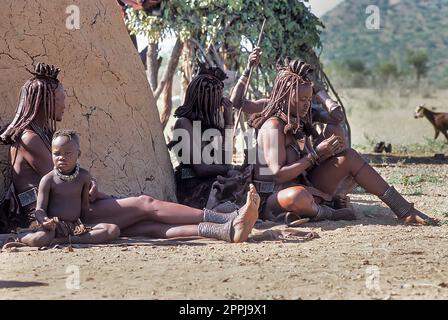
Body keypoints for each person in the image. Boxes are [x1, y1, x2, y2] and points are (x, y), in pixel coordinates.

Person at [0, 63, 260, 247]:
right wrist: (95, 189)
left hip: (71, 209)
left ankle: (224, 230)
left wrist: (92, 187)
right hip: (61, 218)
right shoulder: (29, 138)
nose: (65, 102)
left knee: (149, 227)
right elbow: (63, 180)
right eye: (61, 97)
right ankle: (227, 217)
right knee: (145, 203)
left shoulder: (39, 135)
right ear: (46, 101)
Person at [234, 58, 437, 225]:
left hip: (304, 185)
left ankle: (403, 209)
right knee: (297, 197)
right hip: (274, 198)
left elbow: (336, 116)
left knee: (349, 157)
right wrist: (316, 155)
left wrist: (320, 93)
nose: (306, 105)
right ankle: (328, 213)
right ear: (286, 97)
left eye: (308, 99)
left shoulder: (299, 119)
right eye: (302, 100)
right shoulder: (273, 126)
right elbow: (278, 174)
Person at [169, 48, 264, 209]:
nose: (219, 102)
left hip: (211, 182)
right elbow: (201, 169)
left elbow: (224, 159)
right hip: (193, 189)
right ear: (204, 99)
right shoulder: (184, 124)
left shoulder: (212, 125)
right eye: (216, 98)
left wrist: (228, 120)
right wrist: (232, 169)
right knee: (235, 180)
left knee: (251, 174)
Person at [5, 129, 120, 247]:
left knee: (113, 230)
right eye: (56, 154)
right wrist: (45, 221)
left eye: (67, 153)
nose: (61, 157)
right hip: (54, 227)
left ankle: (64, 241)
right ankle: (20, 238)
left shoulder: (84, 177)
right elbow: (39, 210)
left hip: (75, 226)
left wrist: (85, 226)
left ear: (78, 154)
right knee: (41, 238)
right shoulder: (48, 180)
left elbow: (85, 206)